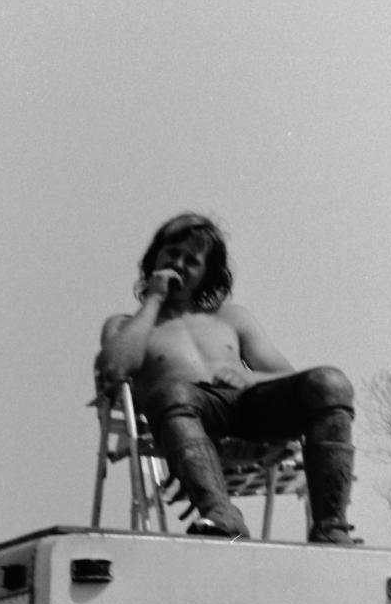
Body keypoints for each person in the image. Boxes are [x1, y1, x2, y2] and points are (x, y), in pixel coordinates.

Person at [95, 213, 357, 544]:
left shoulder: (231, 317)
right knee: (171, 392)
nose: (179, 263)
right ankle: (222, 514)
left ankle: (331, 527)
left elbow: (286, 376)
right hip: (185, 413)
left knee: (330, 383)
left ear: (205, 274)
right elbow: (114, 371)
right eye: (172, 253)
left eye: (192, 260)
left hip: (248, 410)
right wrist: (154, 299)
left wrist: (250, 379)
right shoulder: (125, 326)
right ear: (155, 257)